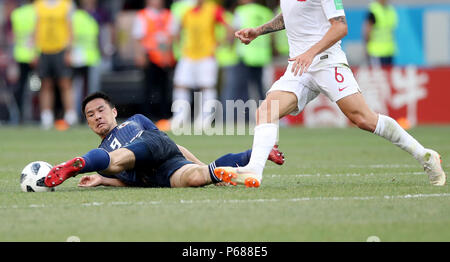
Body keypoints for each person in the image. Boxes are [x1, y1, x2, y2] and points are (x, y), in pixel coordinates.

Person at [213, 0, 446, 188]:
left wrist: (310, 53)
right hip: (299, 67)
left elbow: (340, 26)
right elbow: (290, 16)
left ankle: (425, 156)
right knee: (267, 110)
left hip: (327, 63)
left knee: (363, 119)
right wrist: (259, 31)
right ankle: (254, 169)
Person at [43, 92, 284, 188]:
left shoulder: (134, 121)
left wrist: (197, 161)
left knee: (114, 161)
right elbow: (129, 181)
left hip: (154, 148)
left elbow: (168, 144)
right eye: (90, 115)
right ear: (87, 123)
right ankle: (257, 154)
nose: (97, 117)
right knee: (196, 179)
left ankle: (73, 167)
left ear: (114, 112)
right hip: (156, 175)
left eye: (101, 110)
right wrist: (102, 181)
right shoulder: (103, 155)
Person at [170, 0, 234, 131]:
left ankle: (205, 119)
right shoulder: (185, 10)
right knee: (180, 85)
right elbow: (176, 29)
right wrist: (178, 44)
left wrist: (222, 43)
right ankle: (179, 118)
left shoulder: (213, 9)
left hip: (207, 55)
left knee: (207, 87)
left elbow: (229, 26)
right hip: (188, 54)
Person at [34, 0, 78, 129]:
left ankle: (70, 115)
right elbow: (36, 28)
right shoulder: (39, 5)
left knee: (65, 83)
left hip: (61, 49)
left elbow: (71, 29)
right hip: (44, 49)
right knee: (46, 84)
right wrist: (35, 51)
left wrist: (69, 50)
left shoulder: (67, 4)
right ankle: (46, 116)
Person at [132, 0, 175, 122]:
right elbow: (138, 37)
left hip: (164, 57)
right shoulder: (143, 15)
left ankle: (164, 116)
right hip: (150, 56)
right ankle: (147, 116)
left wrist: (168, 54)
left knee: (164, 88)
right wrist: (139, 55)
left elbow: (171, 36)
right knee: (148, 88)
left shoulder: (168, 15)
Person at [10, 0, 38, 123]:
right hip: (35, 55)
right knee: (37, 86)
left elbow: (14, 36)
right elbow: (37, 35)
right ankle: (37, 114)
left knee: (21, 87)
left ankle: (21, 115)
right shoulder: (37, 11)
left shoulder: (16, 13)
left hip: (20, 54)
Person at [363, 0, 397, 67]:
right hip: (376, 52)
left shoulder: (391, 10)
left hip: (389, 51)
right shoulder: (373, 10)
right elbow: (367, 31)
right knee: (377, 75)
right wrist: (366, 48)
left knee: (387, 75)